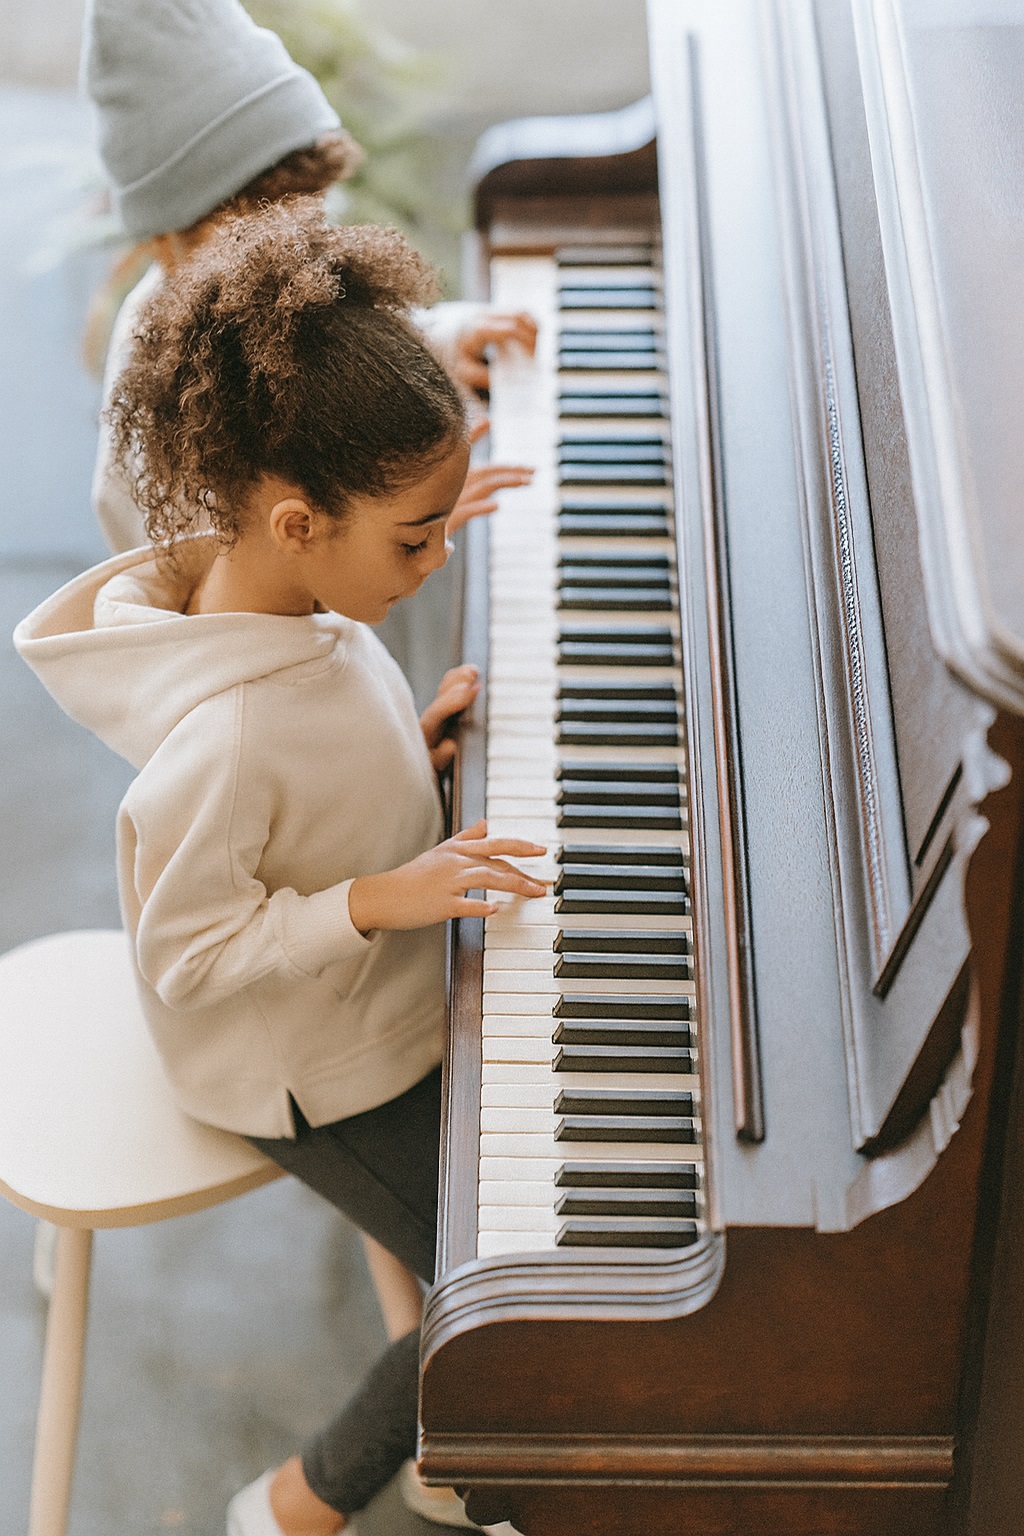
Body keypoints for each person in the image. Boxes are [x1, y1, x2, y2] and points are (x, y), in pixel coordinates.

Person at [17, 201, 546, 1534]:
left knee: (503, 1254)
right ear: (302, 521)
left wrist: (408, 762)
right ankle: (301, 1501)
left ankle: (453, 1436)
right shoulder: (225, 738)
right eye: (415, 540)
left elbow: (318, 775)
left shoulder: (298, 604)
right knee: (509, 1291)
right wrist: (379, 895)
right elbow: (188, 959)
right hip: (306, 1072)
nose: (436, 560)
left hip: (361, 1009)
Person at [83, 0, 536, 703]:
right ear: (163, 239)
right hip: (271, 699)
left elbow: (327, 335)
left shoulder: (268, 277)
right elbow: (218, 624)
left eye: (313, 213)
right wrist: (400, 525)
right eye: (257, 229)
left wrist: (438, 337)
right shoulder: (147, 433)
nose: (293, 249)